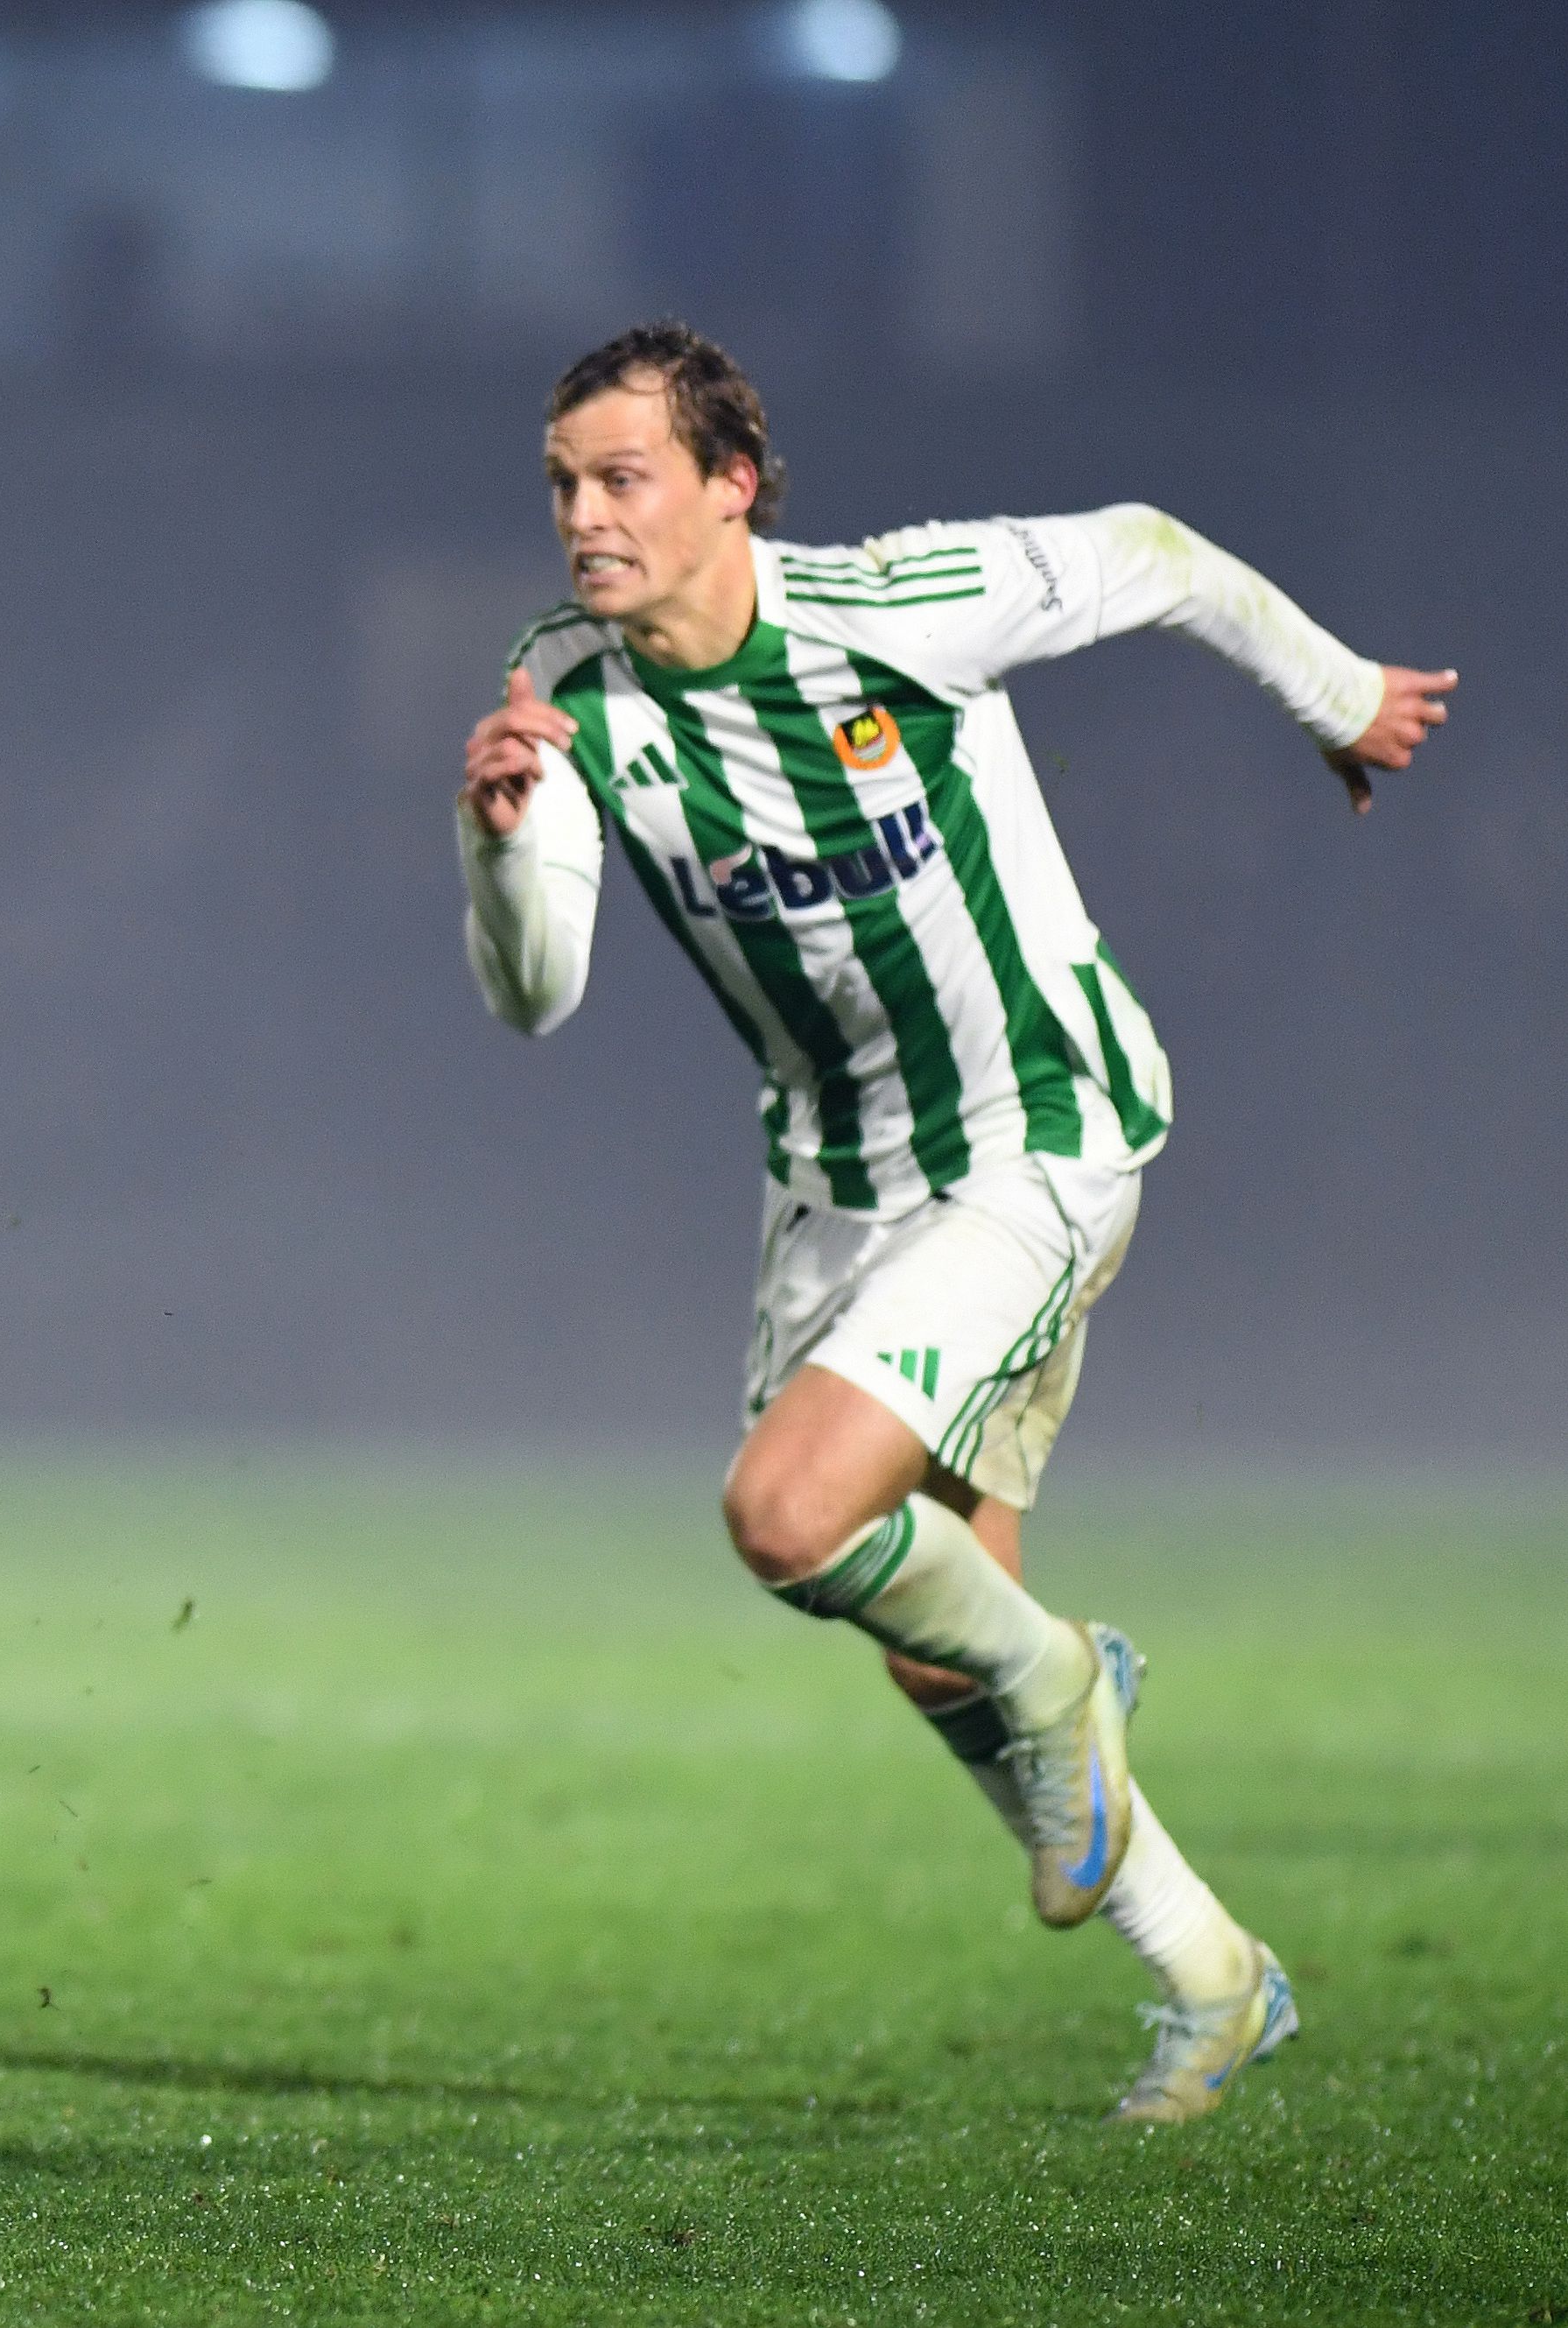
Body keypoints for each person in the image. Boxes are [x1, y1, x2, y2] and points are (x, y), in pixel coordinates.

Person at [456, 321, 1454, 2123]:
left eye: (620, 479)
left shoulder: (893, 608)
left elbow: (1148, 549)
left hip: (1035, 1137)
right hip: (837, 1192)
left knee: (782, 1513)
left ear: (726, 485)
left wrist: (1332, 691)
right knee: (931, 1633)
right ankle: (1214, 1976)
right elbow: (531, 1003)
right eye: (559, 485)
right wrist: (498, 843)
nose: (581, 519)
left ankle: (1075, 1672)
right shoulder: (570, 702)